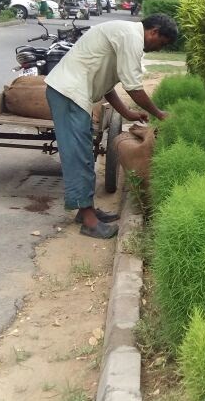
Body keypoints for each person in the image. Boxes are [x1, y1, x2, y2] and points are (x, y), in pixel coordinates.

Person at [45, 14, 179, 239]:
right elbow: (134, 87)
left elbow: (108, 86)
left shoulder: (125, 35)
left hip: (74, 94)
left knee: (86, 153)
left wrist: (127, 113)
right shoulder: (131, 37)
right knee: (78, 155)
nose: (157, 48)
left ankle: (85, 210)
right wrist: (159, 114)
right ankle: (89, 221)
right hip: (68, 93)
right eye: (162, 43)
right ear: (153, 32)